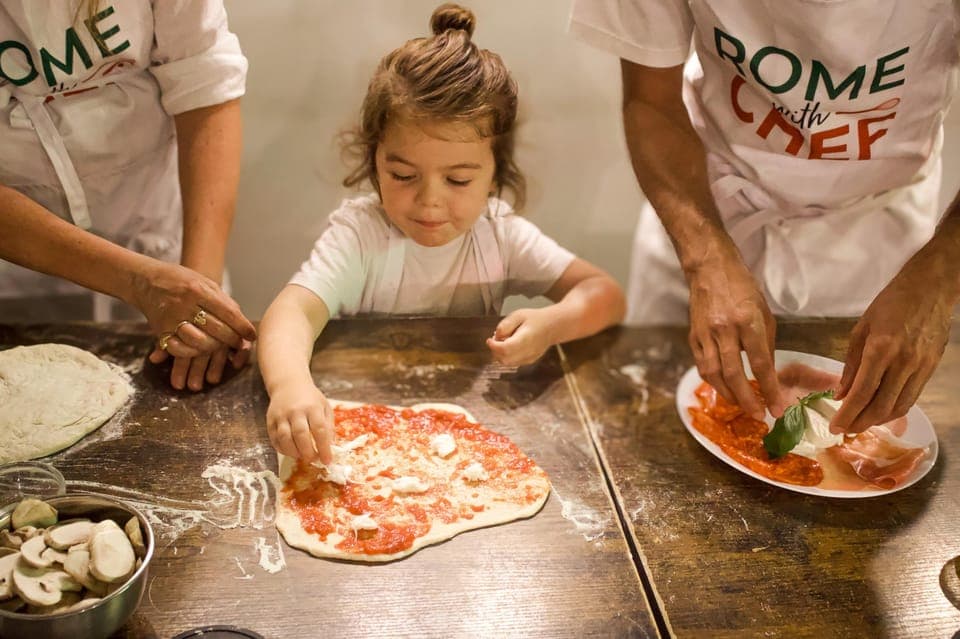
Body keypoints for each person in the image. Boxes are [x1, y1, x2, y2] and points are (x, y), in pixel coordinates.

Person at [259, 3, 626, 464]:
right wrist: (291, 385)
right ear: (375, 161)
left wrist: (552, 326)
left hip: (468, 441)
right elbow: (290, 312)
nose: (430, 201)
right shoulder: (362, 235)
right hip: (363, 440)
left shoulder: (499, 235)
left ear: (495, 173)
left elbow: (604, 294)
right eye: (403, 175)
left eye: (457, 180)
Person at [570, 0, 960, 434]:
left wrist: (939, 279)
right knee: (653, 430)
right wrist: (705, 259)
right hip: (708, 212)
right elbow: (651, 102)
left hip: (879, 251)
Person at [0, 0, 256, 391]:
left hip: (158, 234)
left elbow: (205, 87)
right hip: (19, 269)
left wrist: (197, 300)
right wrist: (139, 284)